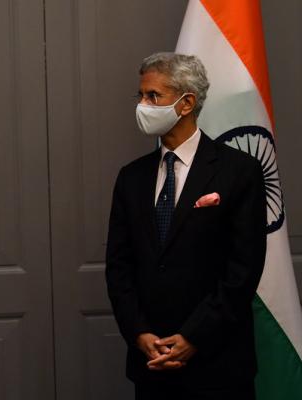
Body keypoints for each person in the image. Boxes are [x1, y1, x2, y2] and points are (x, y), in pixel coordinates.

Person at [105, 52, 266, 400]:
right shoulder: (131, 177)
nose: (142, 105)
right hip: (151, 362)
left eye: (153, 96)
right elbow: (119, 267)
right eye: (140, 95)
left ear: (186, 103)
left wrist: (194, 337)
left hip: (218, 363)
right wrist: (139, 333)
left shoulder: (239, 171)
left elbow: (244, 269)